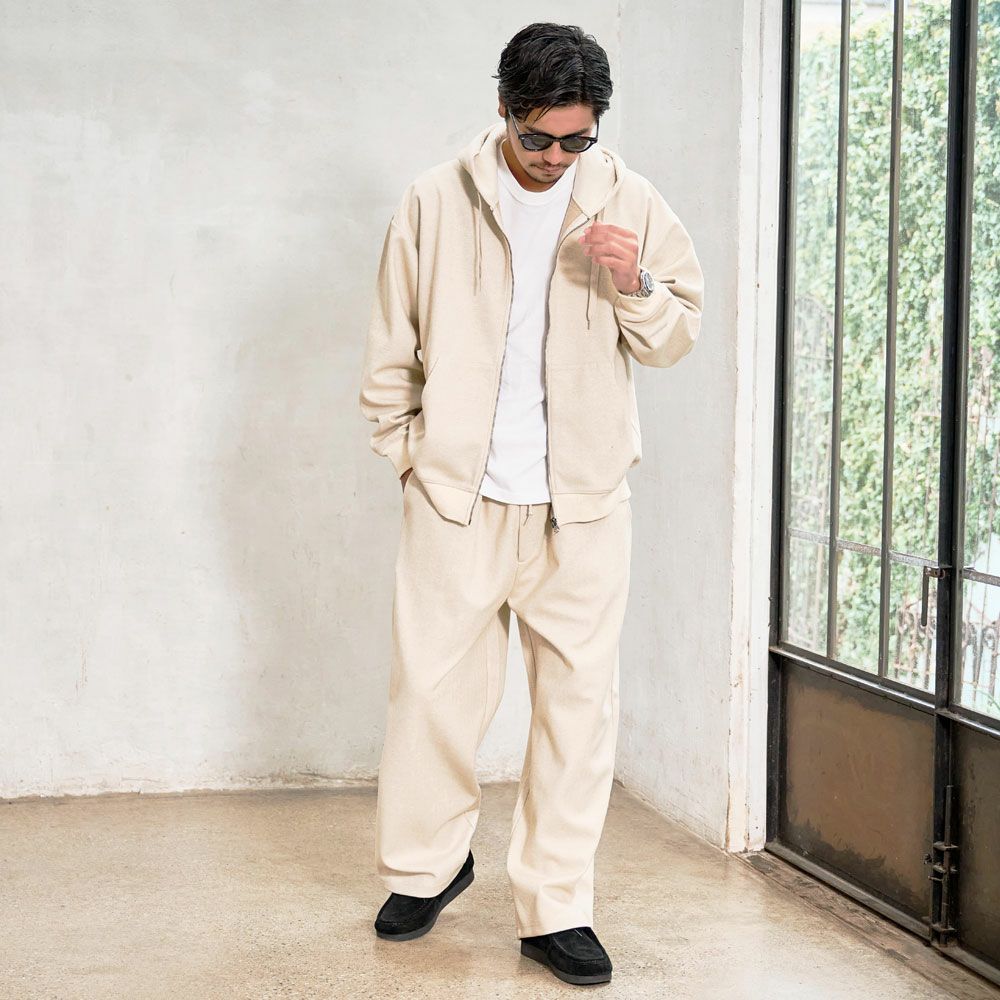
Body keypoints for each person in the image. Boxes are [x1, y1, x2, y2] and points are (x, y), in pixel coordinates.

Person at [358, 21, 704, 987]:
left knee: (575, 715)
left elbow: (677, 335)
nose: (555, 157)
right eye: (538, 137)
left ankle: (556, 908)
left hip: (581, 509)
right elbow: (390, 349)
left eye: (576, 139)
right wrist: (413, 459)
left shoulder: (630, 200)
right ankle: (427, 869)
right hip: (458, 501)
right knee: (431, 697)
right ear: (504, 109)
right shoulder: (435, 200)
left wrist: (634, 280)